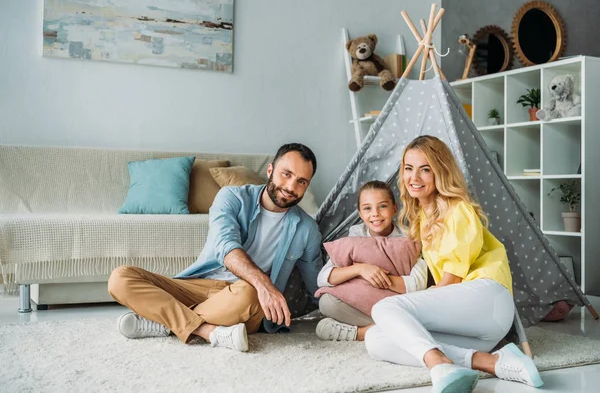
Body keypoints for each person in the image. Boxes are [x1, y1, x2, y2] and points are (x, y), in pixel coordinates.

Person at [364, 135, 543, 392]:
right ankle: (491, 361)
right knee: (376, 339)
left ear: (441, 172)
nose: (414, 177)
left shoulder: (458, 210)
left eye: (425, 169)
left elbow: (451, 282)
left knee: (384, 309)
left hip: (487, 298)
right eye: (408, 168)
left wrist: (403, 313)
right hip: (478, 330)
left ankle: (438, 364)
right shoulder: (422, 218)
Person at [108, 143, 322, 352]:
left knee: (250, 293)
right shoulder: (232, 198)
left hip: (243, 298)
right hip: (198, 285)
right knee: (121, 277)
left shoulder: (307, 229)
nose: (291, 187)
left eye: (301, 181)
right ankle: (207, 331)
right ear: (270, 170)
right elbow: (226, 249)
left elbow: (317, 287)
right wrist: (264, 283)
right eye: (286, 174)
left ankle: (165, 321)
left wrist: (345, 305)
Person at [315, 180, 428, 341]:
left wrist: (380, 278)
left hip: (396, 303)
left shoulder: (409, 239)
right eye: (367, 208)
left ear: (394, 208)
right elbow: (323, 278)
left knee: (418, 312)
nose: (375, 213)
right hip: (363, 302)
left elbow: (418, 284)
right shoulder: (354, 239)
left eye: (382, 206)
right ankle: (398, 328)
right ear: (360, 214)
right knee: (327, 302)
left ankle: (362, 333)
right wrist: (361, 269)